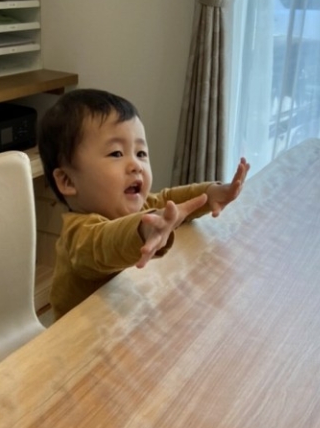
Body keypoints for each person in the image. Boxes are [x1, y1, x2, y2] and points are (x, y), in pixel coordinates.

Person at [38, 88, 249, 319]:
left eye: (140, 153)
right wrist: (144, 229)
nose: (136, 165)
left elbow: (167, 200)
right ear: (67, 181)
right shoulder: (79, 236)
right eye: (116, 153)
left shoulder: (134, 206)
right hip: (81, 339)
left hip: (123, 322)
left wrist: (210, 193)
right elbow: (108, 242)